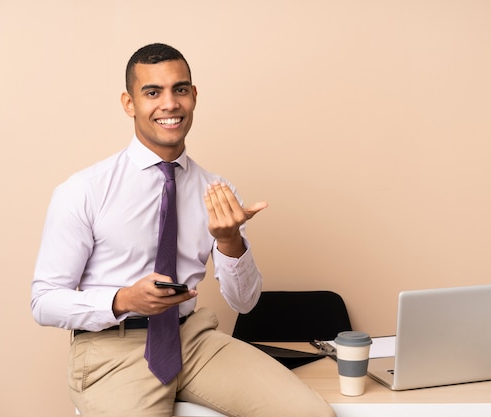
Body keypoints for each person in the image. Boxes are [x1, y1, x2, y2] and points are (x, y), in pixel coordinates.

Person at [31, 43, 335, 417]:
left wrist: (229, 240)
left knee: (311, 415)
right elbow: (43, 301)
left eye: (180, 89)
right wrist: (123, 300)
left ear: (194, 96)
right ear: (129, 104)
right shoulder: (84, 190)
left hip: (192, 338)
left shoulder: (216, 191)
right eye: (152, 92)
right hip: (112, 347)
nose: (170, 104)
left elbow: (245, 303)